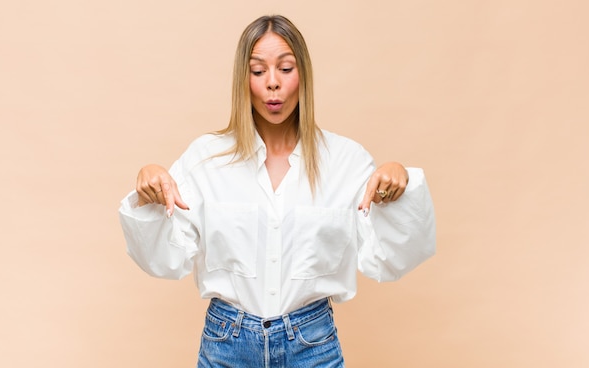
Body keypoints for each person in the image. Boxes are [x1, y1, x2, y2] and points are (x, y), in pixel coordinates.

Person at [119, 14, 436, 367]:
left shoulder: (346, 162)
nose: (273, 84)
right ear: (244, 79)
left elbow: (390, 257)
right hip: (227, 344)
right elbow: (166, 258)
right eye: (258, 71)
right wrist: (148, 191)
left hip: (312, 344)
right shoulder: (205, 159)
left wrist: (399, 186)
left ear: (304, 76)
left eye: (286, 69)